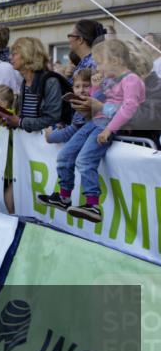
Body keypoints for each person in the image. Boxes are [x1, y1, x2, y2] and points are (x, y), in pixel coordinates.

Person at [37, 40, 146, 223]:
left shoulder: (131, 80)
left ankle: (93, 205)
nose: (98, 67)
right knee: (64, 155)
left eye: (101, 62)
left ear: (116, 60)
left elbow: (127, 110)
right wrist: (95, 87)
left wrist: (109, 130)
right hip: (94, 123)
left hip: (106, 127)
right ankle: (64, 197)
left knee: (84, 159)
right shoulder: (111, 79)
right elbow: (97, 103)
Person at [0, 37, 66, 134]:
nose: (10, 57)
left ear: (27, 55)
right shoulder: (25, 82)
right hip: (31, 146)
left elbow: (52, 119)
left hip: (48, 146)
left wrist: (19, 122)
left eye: (14, 54)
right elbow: (25, 121)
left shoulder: (50, 82)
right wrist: (8, 121)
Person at [45, 68, 91, 144]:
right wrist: (61, 125)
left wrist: (50, 137)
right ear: (72, 89)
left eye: (86, 86)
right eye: (77, 87)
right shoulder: (76, 103)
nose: (81, 90)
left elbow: (70, 132)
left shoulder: (85, 107)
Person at [66, 19, 106, 83]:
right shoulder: (86, 62)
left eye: (69, 36)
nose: (68, 39)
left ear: (80, 40)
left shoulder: (92, 64)